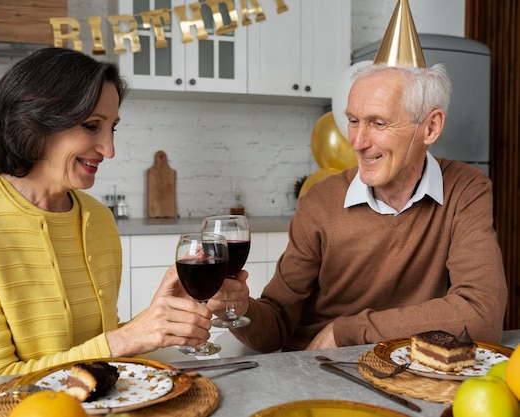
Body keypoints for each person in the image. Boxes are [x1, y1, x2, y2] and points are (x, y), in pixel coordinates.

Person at [0, 47, 212, 380]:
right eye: (91, 126)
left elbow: (98, 348)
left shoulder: (97, 218)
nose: (109, 149)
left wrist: (160, 318)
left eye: (112, 128)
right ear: (35, 122)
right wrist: (127, 338)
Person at [211, 62, 508, 352]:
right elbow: (275, 325)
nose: (357, 141)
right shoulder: (320, 201)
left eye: (378, 123)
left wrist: (347, 332)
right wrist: (240, 308)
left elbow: (481, 314)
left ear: (430, 127)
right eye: (353, 120)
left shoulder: (466, 189)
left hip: (413, 375)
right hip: (319, 369)